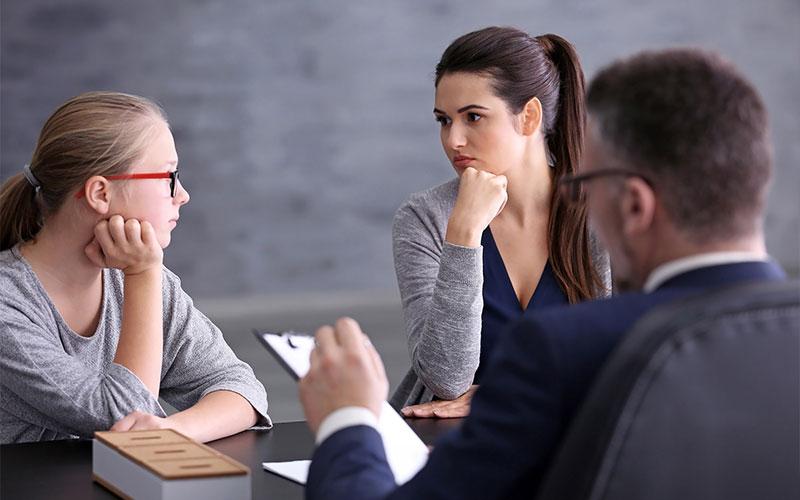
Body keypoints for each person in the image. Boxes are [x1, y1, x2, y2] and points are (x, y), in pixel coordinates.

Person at [299, 47, 787, 499]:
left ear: (635, 205)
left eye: (592, 184)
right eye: (443, 120)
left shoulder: (566, 349)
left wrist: (347, 417)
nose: (454, 139)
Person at [0, 91, 270, 444]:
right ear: (100, 193)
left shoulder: (147, 283)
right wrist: (142, 276)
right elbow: (123, 418)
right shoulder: (9, 303)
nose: (183, 194)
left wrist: (169, 430)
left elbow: (241, 387)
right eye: (169, 177)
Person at [392, 26, 610, 416]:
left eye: (473, 117)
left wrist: (508, 393)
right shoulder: (424, 217)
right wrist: (463, 234)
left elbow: (625, 367)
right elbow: (445, 378)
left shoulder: (605, 215)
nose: (453, 139)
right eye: (444, 120)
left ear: (528, 117)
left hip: (577, 440)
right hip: (450, 443)